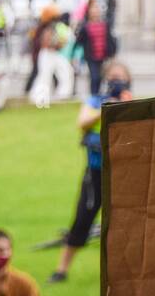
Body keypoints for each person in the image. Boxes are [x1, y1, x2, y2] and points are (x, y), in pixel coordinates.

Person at [51, 61, 134, 283]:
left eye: (121, 77)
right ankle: (61, 270)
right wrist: (105, 109)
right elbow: (82, 123)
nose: (117, 81)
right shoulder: (95, 102)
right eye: (113, 77)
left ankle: (123, 273)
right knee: (82, 219)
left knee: (123, 224)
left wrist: (126, 105)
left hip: (123, 174)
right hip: (95, 172)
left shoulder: (133, 103)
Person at [74, 3, 114, 98]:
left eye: (97, 10)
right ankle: (93, 96)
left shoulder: (105, 24)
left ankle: (98, 95)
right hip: (91, 56)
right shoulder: (85, 26)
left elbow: (109, 39)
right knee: (94, 76)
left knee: (101, 77)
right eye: (93, 11)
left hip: (103, 55)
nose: (95, 13)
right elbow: (79, 40)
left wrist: (112, 52)